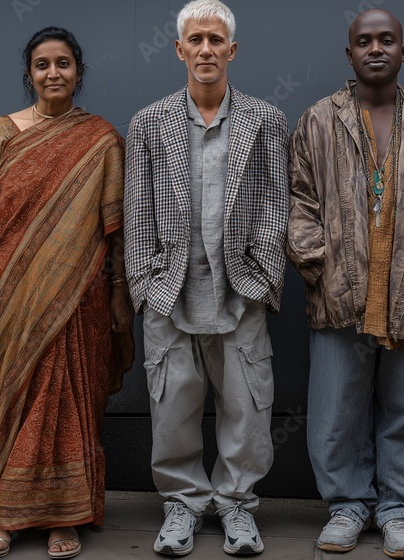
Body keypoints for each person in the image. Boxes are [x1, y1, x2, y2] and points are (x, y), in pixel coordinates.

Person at [287, 9, 404, 559]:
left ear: (403, 51)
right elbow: (298, 205)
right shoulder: (317, 121)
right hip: (339, 298)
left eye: (386, 40)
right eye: (363, 41)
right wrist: (322, 269)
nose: (375, 49)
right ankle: (346, 505)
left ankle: (400, 510)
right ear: (349, 54)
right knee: (334, 413)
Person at [0, 26, 134, 559]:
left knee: (68, 402)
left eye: (63, 63)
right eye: (42, 64)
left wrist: (119, 294)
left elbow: (115, 227)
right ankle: (6, 517)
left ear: (78, 72)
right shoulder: (0, 133)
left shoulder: (101, 139)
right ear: (30, 73)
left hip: (78, 295)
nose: (53, 73)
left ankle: (66, 517)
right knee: (13, 393)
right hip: (9, 288)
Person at [123, 0, 289, 556]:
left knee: (247, 409)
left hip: (241, 292)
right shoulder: (149, 122)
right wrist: (144, 283)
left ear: (231, 50)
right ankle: (182, 506)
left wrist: (264, 276)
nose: (205, 50)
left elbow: (275, 204)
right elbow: (137, 212)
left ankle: (238, 508)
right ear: (179, 49)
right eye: (195, 40)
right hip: (170, 292)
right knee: (173, 408)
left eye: (216, 40)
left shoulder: (264, 120)